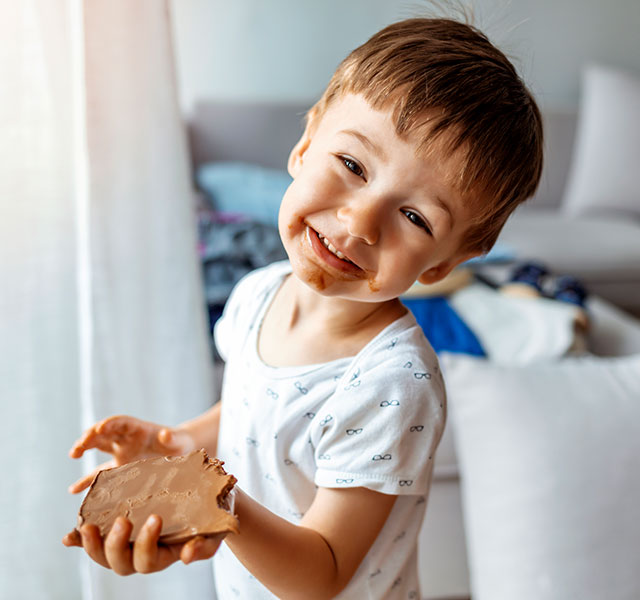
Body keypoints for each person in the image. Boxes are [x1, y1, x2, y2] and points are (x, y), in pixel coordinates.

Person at [63, 17, 543, 599]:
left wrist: (215, 500)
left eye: (415, 217)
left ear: (440, 265)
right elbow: (254, 412)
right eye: (353, 166)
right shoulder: (258, 295)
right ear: (305, 144)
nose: (360, 222)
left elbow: (322, 572)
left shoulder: (393, 384)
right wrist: (176, 447)